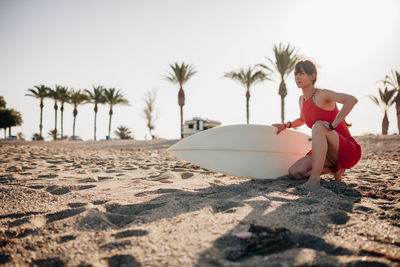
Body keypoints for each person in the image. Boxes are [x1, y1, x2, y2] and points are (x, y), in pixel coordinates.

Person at [273, 60, 361, 186]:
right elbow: (303, 119)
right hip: (326, 153)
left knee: (318, 126)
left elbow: (351, 100)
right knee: (295, 172)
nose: (297, 77)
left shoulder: (321, 94)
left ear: (312, 76)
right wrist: (286, 125)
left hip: (347, 150)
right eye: (295, 74)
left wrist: (333, 125)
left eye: (301, 73)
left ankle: (314, 178)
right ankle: (335, 169)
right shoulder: (302, 100)